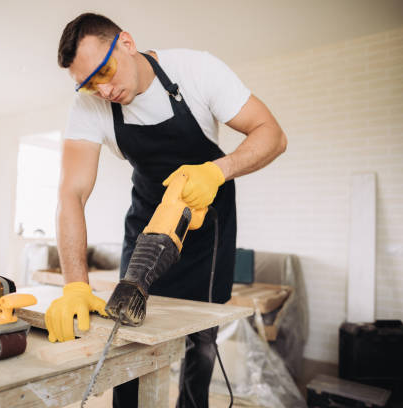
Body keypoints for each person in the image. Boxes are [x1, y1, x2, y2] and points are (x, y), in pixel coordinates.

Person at [45, 13, 287, 408]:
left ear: (126, 41)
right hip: (146, 223)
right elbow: (71, 194)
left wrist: (217, 171)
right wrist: (75, 285)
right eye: (89, 85)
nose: (103, 90)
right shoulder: (90, 106)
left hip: (208, 226)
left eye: (106, 72)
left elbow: (272, 134)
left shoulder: (195, 70)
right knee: (124, 332)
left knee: (201, 342)